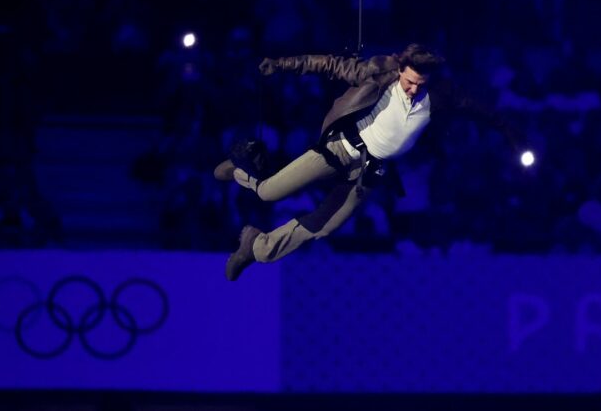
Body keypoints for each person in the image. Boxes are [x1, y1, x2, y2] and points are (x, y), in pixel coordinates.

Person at [215, 43, 523, 280]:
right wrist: (282, 64)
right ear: (401, 69)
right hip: (340, 150)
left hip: (367, 172)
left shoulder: (435, 97)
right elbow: (329, 65)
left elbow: (478, 109)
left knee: (324, 226)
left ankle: (257, 246)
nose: (414, 89)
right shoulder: (380, 74)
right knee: (268, 192)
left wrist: (510, 132)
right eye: (410, 82)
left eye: (420, 84)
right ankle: (240, 171)